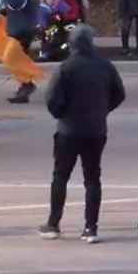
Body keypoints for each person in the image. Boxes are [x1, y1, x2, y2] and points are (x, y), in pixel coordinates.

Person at [38, 25, 125, 244]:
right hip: (96, 129)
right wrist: (103, 110)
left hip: (68, 129)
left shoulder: (66, 67)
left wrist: (62, 114)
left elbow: (52, 99)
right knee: (92, 178)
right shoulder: (105, 66)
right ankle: (90, 227)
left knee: (60, 176)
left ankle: (54, 223)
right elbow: (119, 94)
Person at [3, 0, 43, 104]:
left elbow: (15, 5)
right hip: (19, 30)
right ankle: (24, 87)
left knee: (11, 58)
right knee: (16, 59)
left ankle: (27, 84)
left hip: (22, 32)